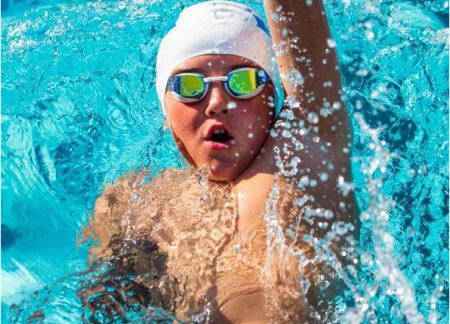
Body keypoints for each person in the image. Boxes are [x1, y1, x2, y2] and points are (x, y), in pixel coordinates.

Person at [81, 0, 359, 323]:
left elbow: (302, 35)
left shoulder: (298, 157)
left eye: (242, 82)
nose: (217, 102)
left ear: (272, 100)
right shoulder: (136, 205)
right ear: (166, 113)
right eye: (190, 86)